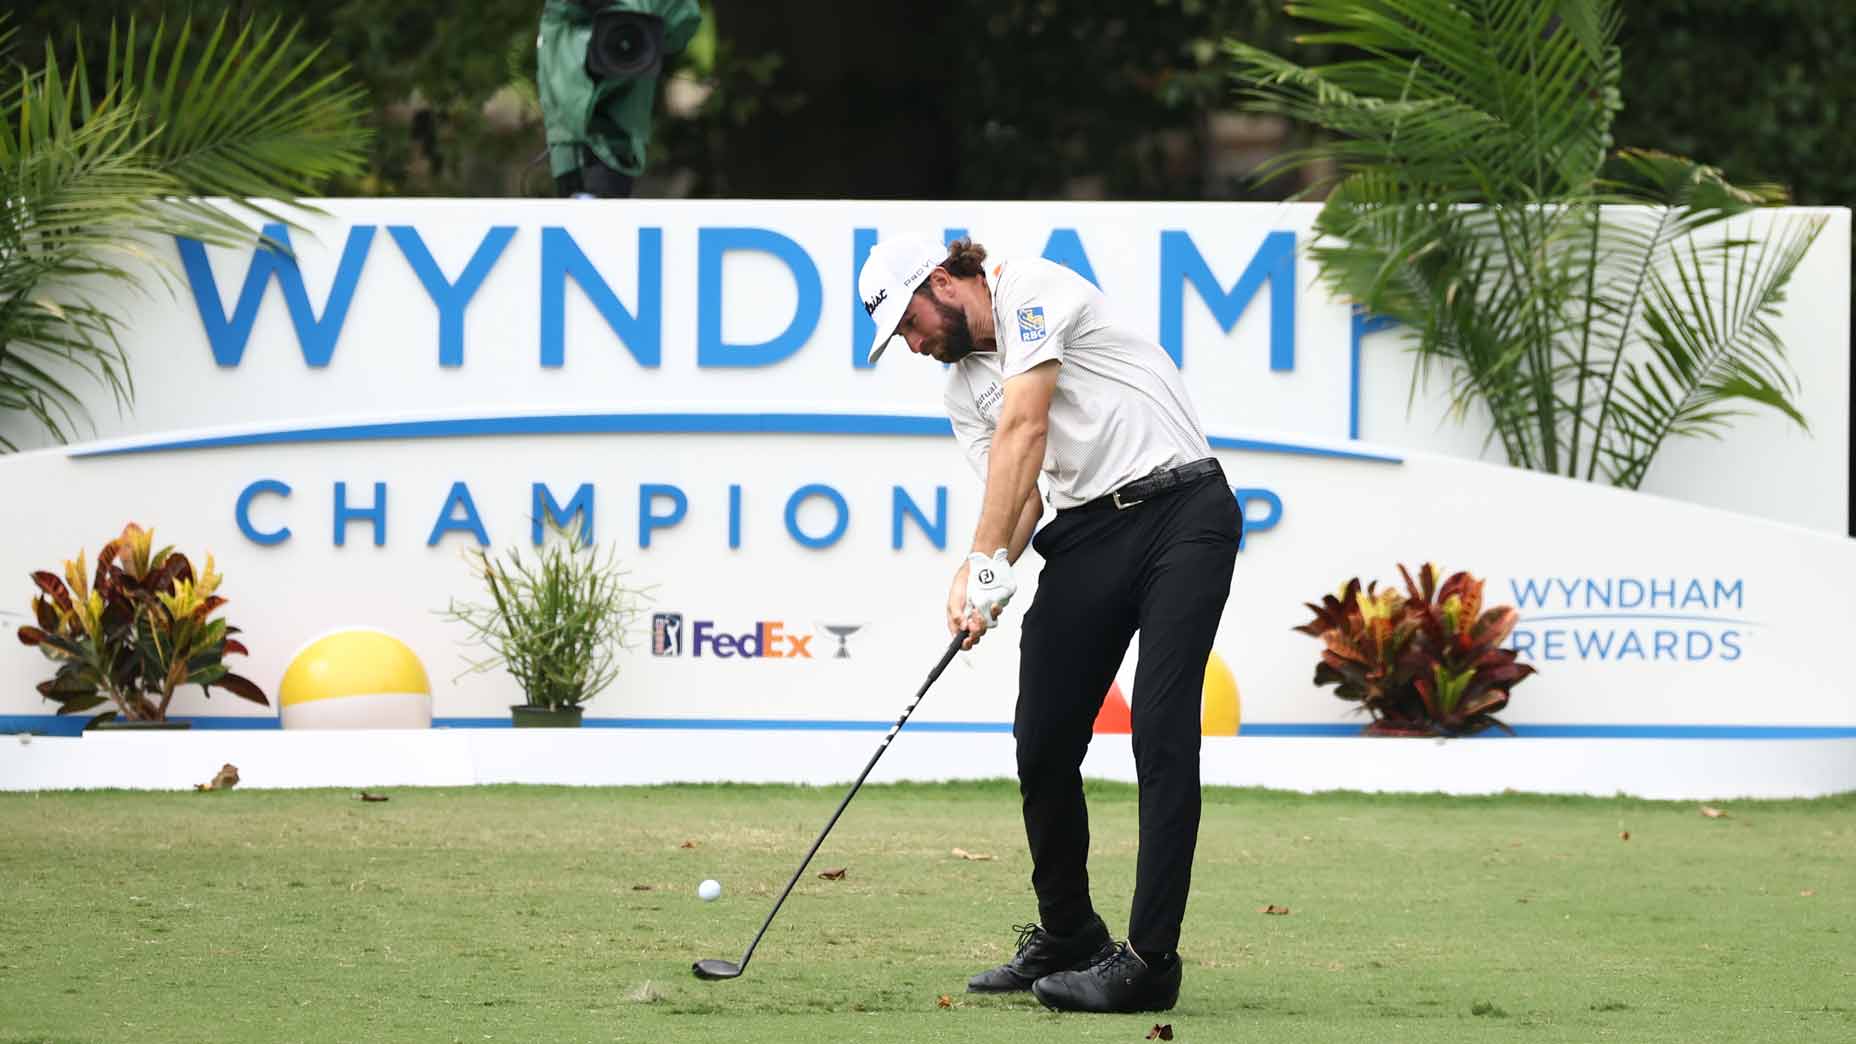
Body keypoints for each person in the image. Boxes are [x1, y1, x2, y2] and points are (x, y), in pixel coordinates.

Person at [857, 236, 1240, 1013]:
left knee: (1161, 732)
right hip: (1088, 535)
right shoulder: (963, 388)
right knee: (1043, 738)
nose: (914, 342)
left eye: (910, 322)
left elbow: (1026, 428)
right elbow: (1023, 494)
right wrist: (986, 588)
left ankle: (1149, 961)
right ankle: (1069, 933)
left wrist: (980, 562)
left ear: (942, 281)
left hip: (1182, 513)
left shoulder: (1032, 287)